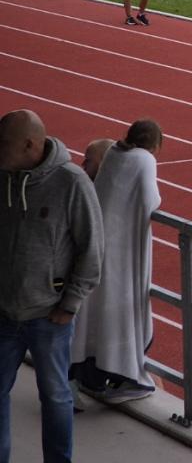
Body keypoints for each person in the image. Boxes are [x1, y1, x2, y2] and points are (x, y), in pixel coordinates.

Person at [0, 109, 104, 463]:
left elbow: (92, 249)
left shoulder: (72, 183)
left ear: (30, 145)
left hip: (49, 316)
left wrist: (70, 304)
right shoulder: (3, 177)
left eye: (4, 145)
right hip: (4, 313)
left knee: (56, 396)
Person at [71, 119, 163, 405]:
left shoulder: (113, 153)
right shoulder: (144, 159)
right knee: (122, 312)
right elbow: (150, 200)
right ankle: (128, 376)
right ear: (154, 145)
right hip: (124, 250)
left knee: (96, 310)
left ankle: (89, 374)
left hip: (102, 242)